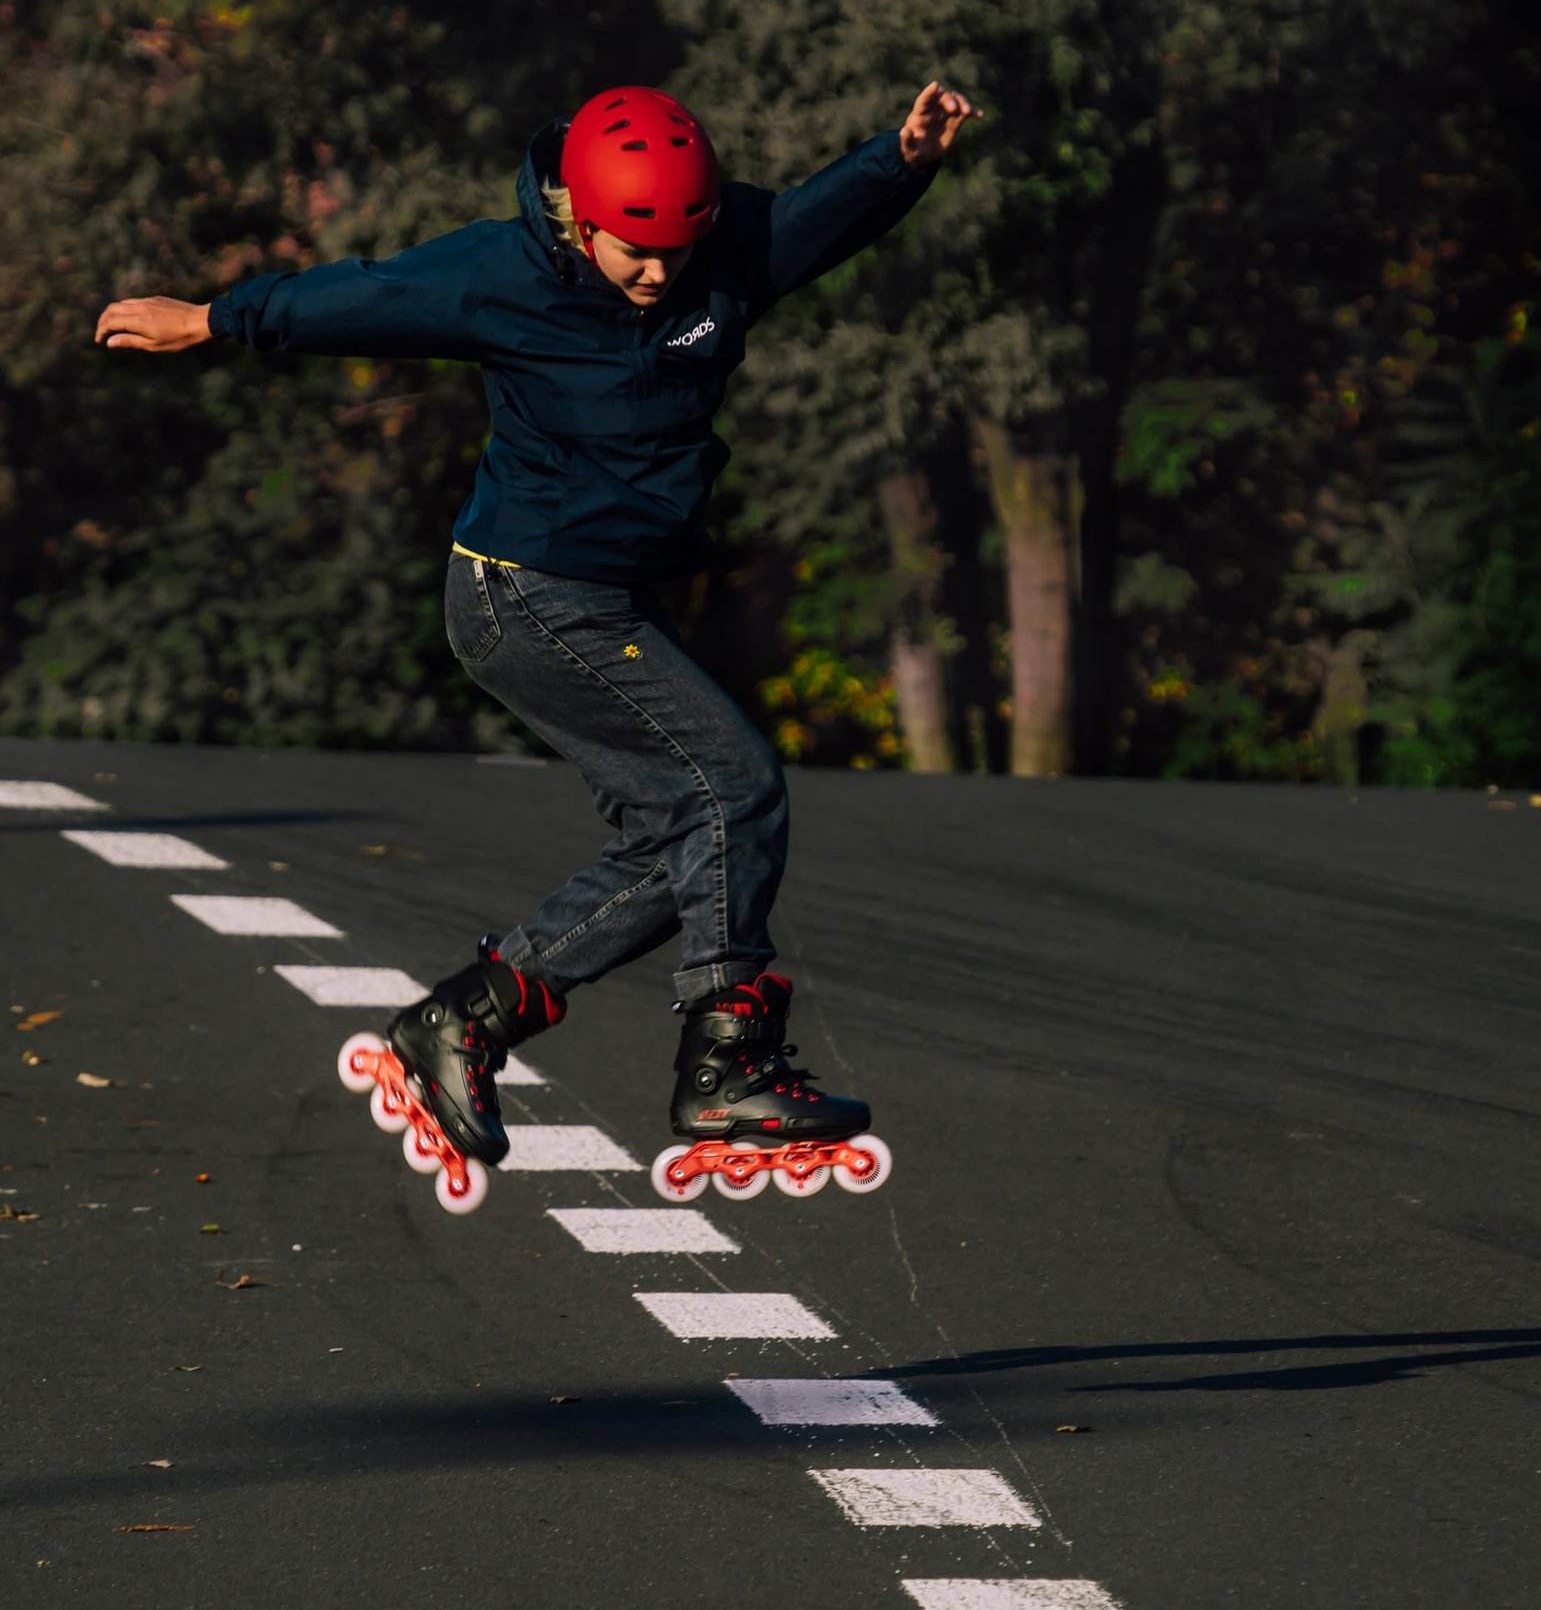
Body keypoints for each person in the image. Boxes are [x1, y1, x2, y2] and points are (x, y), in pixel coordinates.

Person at [95, 79, 980, 1185]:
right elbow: (360, 297)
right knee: (734, 784)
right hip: (525, 593)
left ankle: (462, 1023)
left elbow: (810, 221)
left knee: (686, 846)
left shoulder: (721, 253)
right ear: (578, 216)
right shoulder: (498, 274)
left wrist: (900, 160)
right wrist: (213, 319)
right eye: (633, 251)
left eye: (678, 249)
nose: (658, 274)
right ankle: (726, 1063)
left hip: (601, 600)